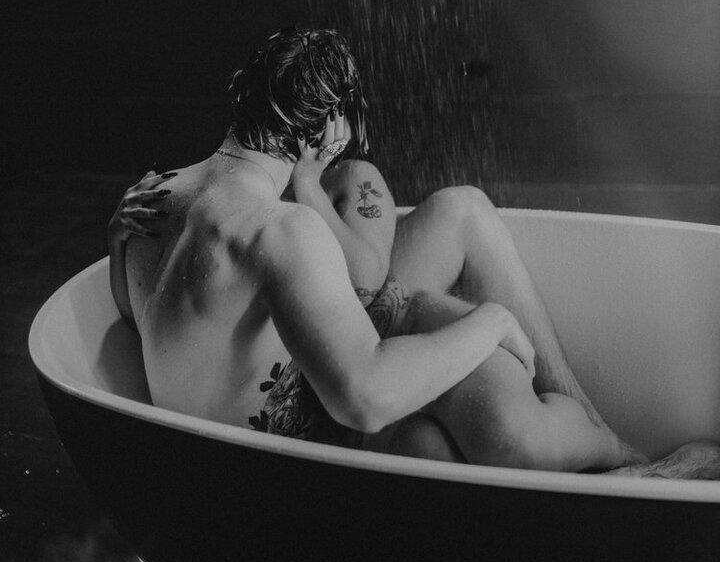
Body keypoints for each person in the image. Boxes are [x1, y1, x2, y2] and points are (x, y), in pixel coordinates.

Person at [109, 27, 720, 477]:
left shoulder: (151, 197)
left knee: (447, 437)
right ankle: (626, 466)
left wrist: (116, 246)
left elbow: (138, 313)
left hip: (220, 457)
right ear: (327, 127)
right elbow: (365, 399)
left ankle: (614, 461)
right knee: (486, 434)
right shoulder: (280, 231)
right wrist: (493, 320)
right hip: (295, 457)